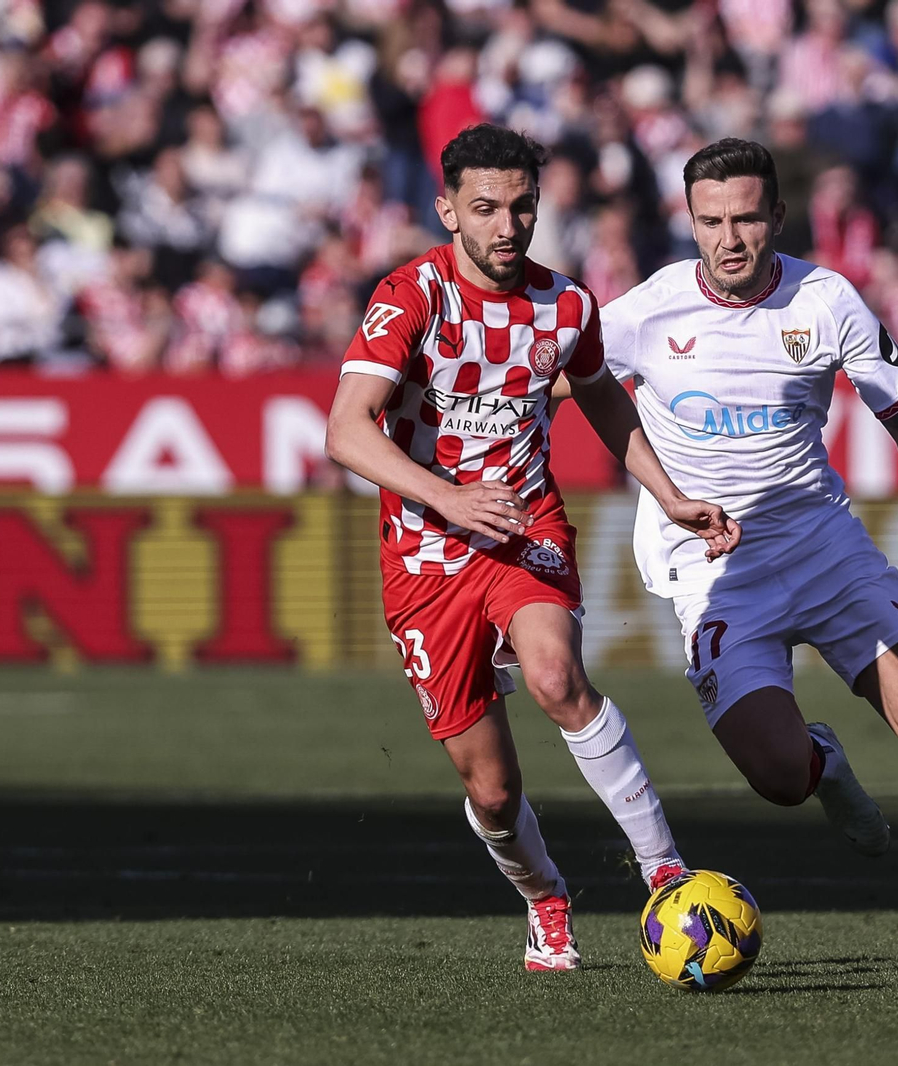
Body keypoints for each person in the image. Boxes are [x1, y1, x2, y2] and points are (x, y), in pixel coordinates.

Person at [583, 138, 898, 965]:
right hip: (713, 569)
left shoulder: (828, 300)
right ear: (690, 221)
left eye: (747, 217)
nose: (730, 238)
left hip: (823, 547)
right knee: (780, 777)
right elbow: (565, 383)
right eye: (711, 220)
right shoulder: (646, 311)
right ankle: (825, 762)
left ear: (779, 215)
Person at [324, 124, 740, 972]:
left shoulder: (567, 305)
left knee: (556, 677)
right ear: (448, 211)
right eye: (485, 208)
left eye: (521, 206)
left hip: (523, 527)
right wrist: (448, 498)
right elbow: (343, 431)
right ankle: (545, 897)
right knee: (493, 789)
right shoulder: (411, 297)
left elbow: (603, 404)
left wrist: (669, 495)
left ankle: (665, 870)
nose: (506, 226)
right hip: (425, 555)